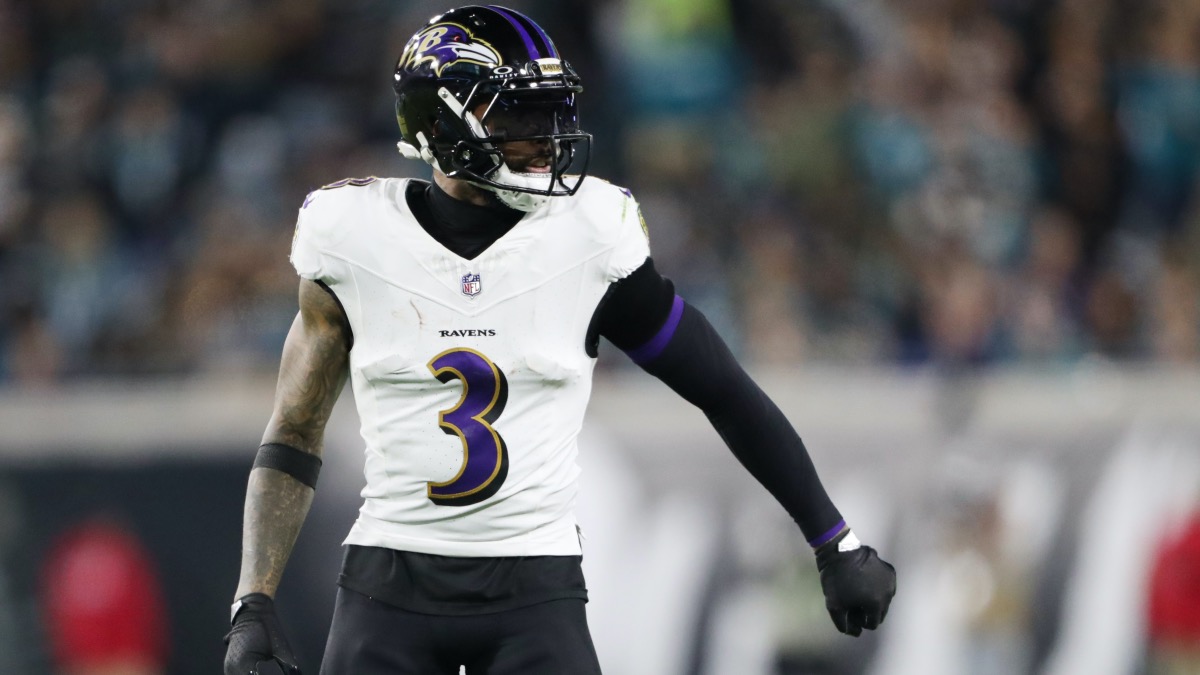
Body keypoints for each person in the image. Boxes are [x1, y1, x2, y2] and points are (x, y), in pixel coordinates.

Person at [223, 5, 896, 674]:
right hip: (388, 591)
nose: (547, 138)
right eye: (519, 117)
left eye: (551, 114)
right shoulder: (354, 236)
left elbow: (722, 389)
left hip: (534, 592)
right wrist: (252, 601)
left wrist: (832, 538)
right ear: (442, 123)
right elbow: (294, 432)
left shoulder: (588, 235)